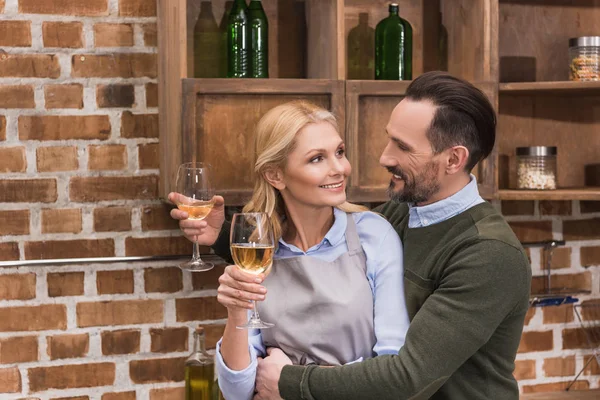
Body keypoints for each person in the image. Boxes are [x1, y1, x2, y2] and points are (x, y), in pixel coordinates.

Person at [170, 101, 410, 400]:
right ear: (275, 176)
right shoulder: (259, 249)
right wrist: (236, 312)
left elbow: (392, 367)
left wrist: (291, 383)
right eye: (317, 159)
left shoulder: (374, 235)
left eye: (339, 152)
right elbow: (236, 390)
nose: (340, 169)